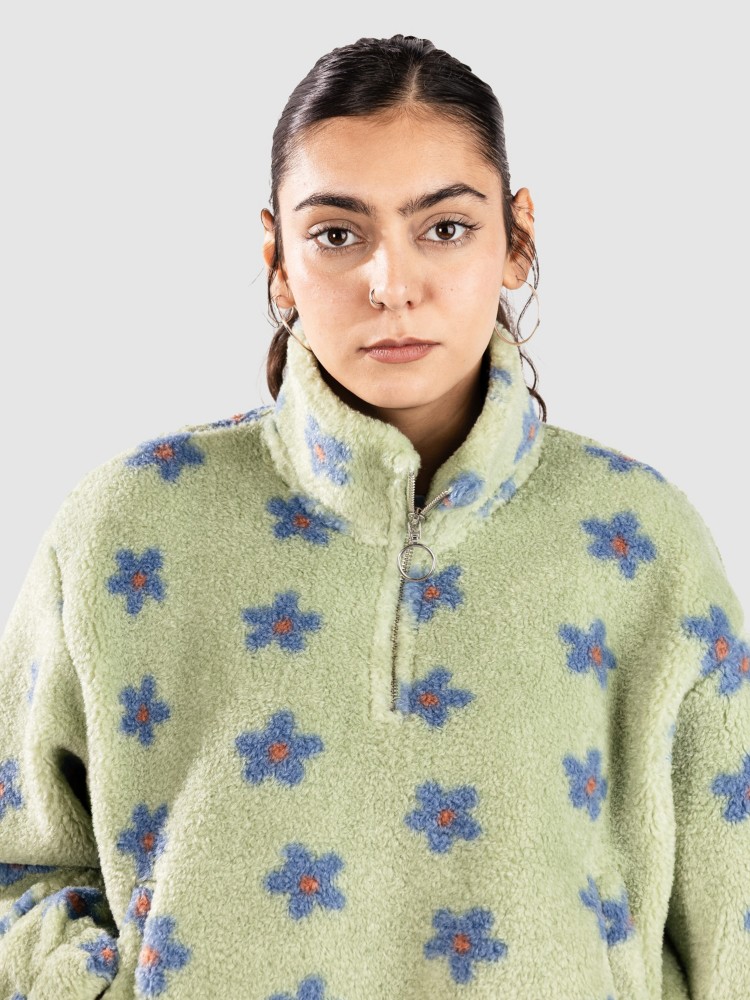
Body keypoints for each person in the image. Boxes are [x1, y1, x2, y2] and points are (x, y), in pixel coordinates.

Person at [0, 32, 747, 1000]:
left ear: (518, 238)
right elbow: (20, 859)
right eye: (336, 234)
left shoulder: (640, 541)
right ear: (277, 256)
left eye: (446, 227)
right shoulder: (126, 526)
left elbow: (732, 913)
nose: (391, 283)